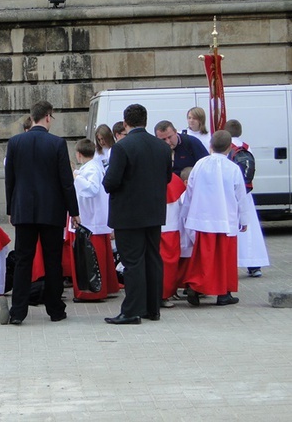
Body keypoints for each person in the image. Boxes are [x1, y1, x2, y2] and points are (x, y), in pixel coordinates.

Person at [5, 100, 80, 325]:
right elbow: (66, 182)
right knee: (52, 261)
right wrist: (73, 211)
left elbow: (11, 179)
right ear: (48, 116)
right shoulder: (57, 143)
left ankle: (18, 311)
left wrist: (11, 208)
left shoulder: (15, 142)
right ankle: (55, 309)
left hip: (24, 209)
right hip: (52, 210)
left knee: (23, 260)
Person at [103, 104, 172, 325]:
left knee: (132, 262)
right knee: (153, 259)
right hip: (153, 211)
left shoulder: (122, 147)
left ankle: (132, 310)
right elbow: (168, 178)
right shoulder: (161, 147)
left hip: (128, 213)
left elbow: (111, 181)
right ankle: (153, 308)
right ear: (146, 121)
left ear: (125, 123)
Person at [181, 130, 248, 307]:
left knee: (203, 258)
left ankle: (195, 286)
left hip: (202, 218)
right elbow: (241, 196)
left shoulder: (200, 164)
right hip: (226, 218)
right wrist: (245, 219)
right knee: (224, 258)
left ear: (210, 145)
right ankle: (224, 292)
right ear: (229, 148)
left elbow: (190, 191)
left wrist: (186, 214)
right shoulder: (233, 168)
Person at [69, 139, 120, 301]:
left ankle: (91, 292)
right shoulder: (94, 167)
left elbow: (91, 189)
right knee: (101, 258)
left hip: (91, 220)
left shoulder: (91, 169)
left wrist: (76, 177)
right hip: (94, 219)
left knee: (90, 258)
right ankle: (108, 286)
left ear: (78, 154)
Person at [224, 119, 269, 278]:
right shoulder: (247, 147)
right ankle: (254, 265)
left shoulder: (227, 147)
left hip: (229, 194)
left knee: (230, 230)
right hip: (246, 194)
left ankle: (228, 265)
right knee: (250, 230)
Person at [159, 173, 187, 308]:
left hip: (150, 224)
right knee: (168, 263)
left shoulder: (143, 174)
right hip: (170, 226)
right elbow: (184, 205)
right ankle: (164, 295)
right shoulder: (174, 180)